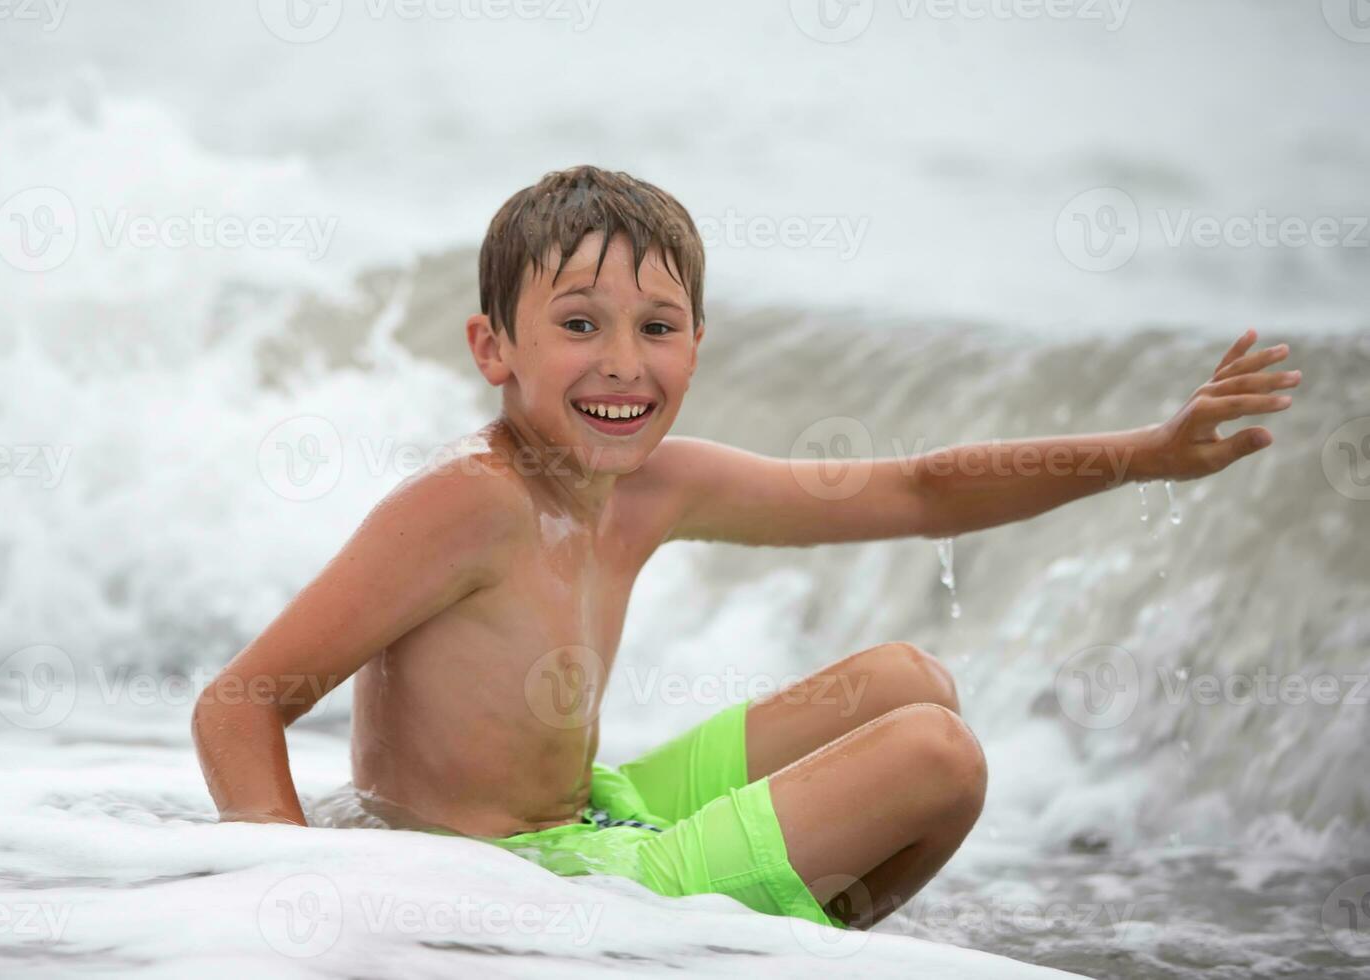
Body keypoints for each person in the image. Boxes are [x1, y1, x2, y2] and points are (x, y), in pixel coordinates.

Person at [192, 164, 1300, 930]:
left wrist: (1146, 451)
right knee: (936, 756)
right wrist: (313, 914)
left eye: (657, 328)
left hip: (587, 817)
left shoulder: (651, 485)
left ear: (698, 345)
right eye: (579, 324)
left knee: (908, 682)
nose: (623, 362)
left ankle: (749, 947)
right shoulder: (466, 502)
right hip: (498, 876)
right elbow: (239, 704)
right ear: (494, 347)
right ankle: (730, 947)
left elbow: (916, 489)